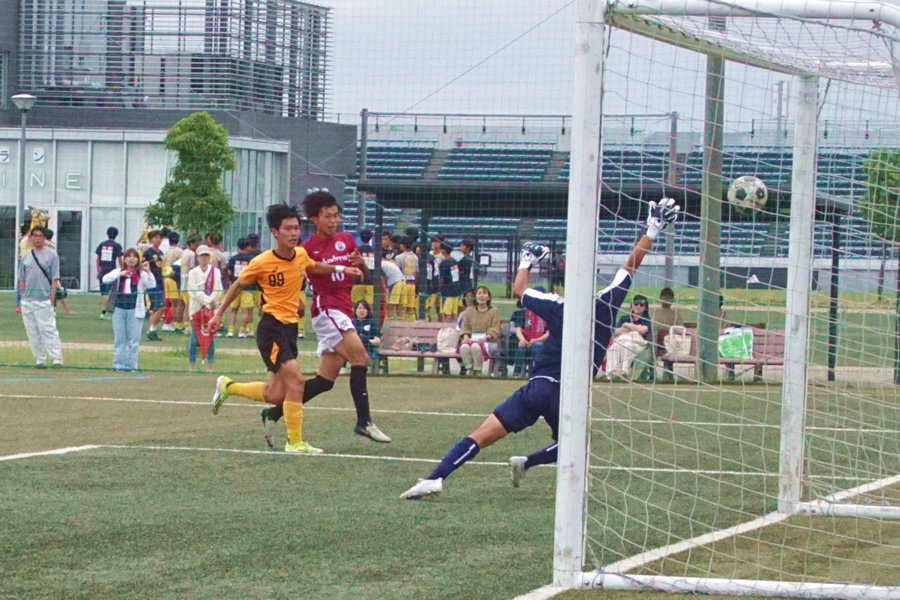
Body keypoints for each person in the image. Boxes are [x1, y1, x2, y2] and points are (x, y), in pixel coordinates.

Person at [400, 198, 679, 499]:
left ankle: (436, 477)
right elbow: (630, 265)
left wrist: (526, 260)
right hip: (570, 395)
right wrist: (653, 228)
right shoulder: (607, 302)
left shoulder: (557, 304)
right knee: (572, 446)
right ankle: (527, 461)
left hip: (540, 388)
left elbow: (519, 289)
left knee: (480, 436)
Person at [208, 203, 362, 453]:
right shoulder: (261, 262)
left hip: (290, 330)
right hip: (270, 330)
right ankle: (295, 441)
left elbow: (314, 266)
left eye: (297, 228)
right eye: (288, 228)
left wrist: (342, 268)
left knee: (275, 395)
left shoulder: (300, 255)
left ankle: (228, 386)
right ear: (275, 232)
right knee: (297, 381)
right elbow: (237, 285)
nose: (294, 233)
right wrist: (218, 314)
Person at [255, 192, 392, 444]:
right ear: (314, 219)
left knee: (325, 381)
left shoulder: (347, 239)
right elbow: (288, 272)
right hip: (326, 310)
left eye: (336, 215)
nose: (333, 221)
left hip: (343, 308)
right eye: (327, 216)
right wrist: (292, 298)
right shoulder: (304, 248)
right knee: (360, 358)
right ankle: (364, 422)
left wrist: (361, 264)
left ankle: (273, 413)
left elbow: (361, 276)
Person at [15, 226, 64, 369]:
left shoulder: (52, 255)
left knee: (48, 329)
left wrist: (51, 297)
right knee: (32, 331)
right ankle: (40, 359)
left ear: (44, 238)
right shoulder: (26, 256)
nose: (37, 238)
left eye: (40, 236)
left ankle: (56, 358)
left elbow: (55, 278)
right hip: (28, 300)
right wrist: (20, 300)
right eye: (34, 236)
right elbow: (21, 280)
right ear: (30, 238)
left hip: (43, 299)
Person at [102, 248, 156, 371]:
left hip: (135, 308)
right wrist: (119, 275)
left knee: (133, 339)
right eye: (129, 256)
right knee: (119, 338)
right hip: (119, 307)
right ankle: (118, 364)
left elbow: (152, 285)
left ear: (138, 259)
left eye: (134, 257)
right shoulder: (119, 271)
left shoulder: (141, 274)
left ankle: (131, 365)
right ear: (124, 259)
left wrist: (148, 271)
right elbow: (105, 279)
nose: (131, 259)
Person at [187, 245, 224, 372]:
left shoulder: (216, 272)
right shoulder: (193, 272)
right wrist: (208, 301)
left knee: (211, 336)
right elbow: (193, 291)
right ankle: (192, 365)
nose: (204, 258)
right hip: (196, 309)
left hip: (211, 310)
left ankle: (210, 365)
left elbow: (218, 288)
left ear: (209, 258)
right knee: (194, 338)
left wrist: (212, 302)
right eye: (201, 256)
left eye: (206, 256)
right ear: (197, 257)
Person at [605, 294, 653, 380]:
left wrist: (627, 325)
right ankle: (610, 373)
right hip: (622, 340)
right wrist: (635, 328)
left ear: (645, 307)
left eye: (641, 305)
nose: (638, 306)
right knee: (613, 347)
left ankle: (624, 372)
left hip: (638, 344)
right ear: (632, 305)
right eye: (636, 304)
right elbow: (616, 331)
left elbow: (643, 330)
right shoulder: (624, 317)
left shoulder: (646, 320)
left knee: (627, 346)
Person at [457, 285, 501, 376]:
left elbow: (495, 328)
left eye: (484, 294)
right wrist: (465, 336)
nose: (482, 296)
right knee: (464, 347)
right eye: (479, 293)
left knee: (476, 347)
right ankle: (469, 369)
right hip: (472, 339)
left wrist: (487, 336)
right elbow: (464, 327)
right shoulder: (469, 310)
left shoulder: (494, 311)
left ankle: (478, 371)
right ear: (475, 296)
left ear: (488, 297)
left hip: (488, 341)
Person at [513, 286, 550, 377]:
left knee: (538, 345)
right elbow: (518, 328)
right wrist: (522, 339)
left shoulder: (547, 313)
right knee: (520, 346)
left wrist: (536, 340)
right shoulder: (524, 312)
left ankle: (536, 371)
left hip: (541, 341)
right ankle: (516, 373)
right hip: (526, 340)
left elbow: (549, 332)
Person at [225, 237, 257, 338]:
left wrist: (231, 280)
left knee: (233, 309)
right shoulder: (252, 259)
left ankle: (230, 331)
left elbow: (229, 272)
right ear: (247, 246)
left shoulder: (233, 258)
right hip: (248, 287)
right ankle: (242, 331)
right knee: (246, 310)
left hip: (235, 287)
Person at [43, 229, 75, 315]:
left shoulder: (44, 244)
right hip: (50, 273)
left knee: (55, 291)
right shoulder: (50, 245)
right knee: (59, 291)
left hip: (47, 272)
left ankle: (53, 309)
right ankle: (65, 311)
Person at [654, 287, 684, 380]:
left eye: (669, 298)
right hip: (656, 343)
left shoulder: (675, 314)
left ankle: (668, 373)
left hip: (670, 344)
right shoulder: (654, 312)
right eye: (664, 297)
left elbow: (680, 329)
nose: (666, 300)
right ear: (660, 298)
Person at [142, 230, 166, 341]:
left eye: (160, 238)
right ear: (151, 239)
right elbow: (143, 266)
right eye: (155, 238)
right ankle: (151, 329)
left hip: (160, 282)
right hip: (153, 283)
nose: (158, 240)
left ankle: (152, 330)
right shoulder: (148, 253)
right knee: (161, 306)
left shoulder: (161, 253)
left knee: (156, 308)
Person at [96, 226, 124, 320]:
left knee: (104, 293)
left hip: (102, 271)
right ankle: (105, 311)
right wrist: (122, 269)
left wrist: (98, 270)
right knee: (110, 293)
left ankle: (104, 312)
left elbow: (98, 258)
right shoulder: (117, 246)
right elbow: (120, 260)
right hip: (111, 271)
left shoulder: (102, 244)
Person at [162, 231, 185, 334]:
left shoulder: (166, 251)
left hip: (165, 277)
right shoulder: (180, 252)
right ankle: (172, 323)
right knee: (176, 303)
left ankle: (168, 322)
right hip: (174, 277)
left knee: (170, 302)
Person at [438, 242, 460, 323]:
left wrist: (439, 288)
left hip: (447, 291)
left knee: (447, 313)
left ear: (444, 250)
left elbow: (441, 279)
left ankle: (447, 330)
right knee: (454, 313)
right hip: (455, 290)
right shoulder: (454, 261)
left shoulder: (444, 263)